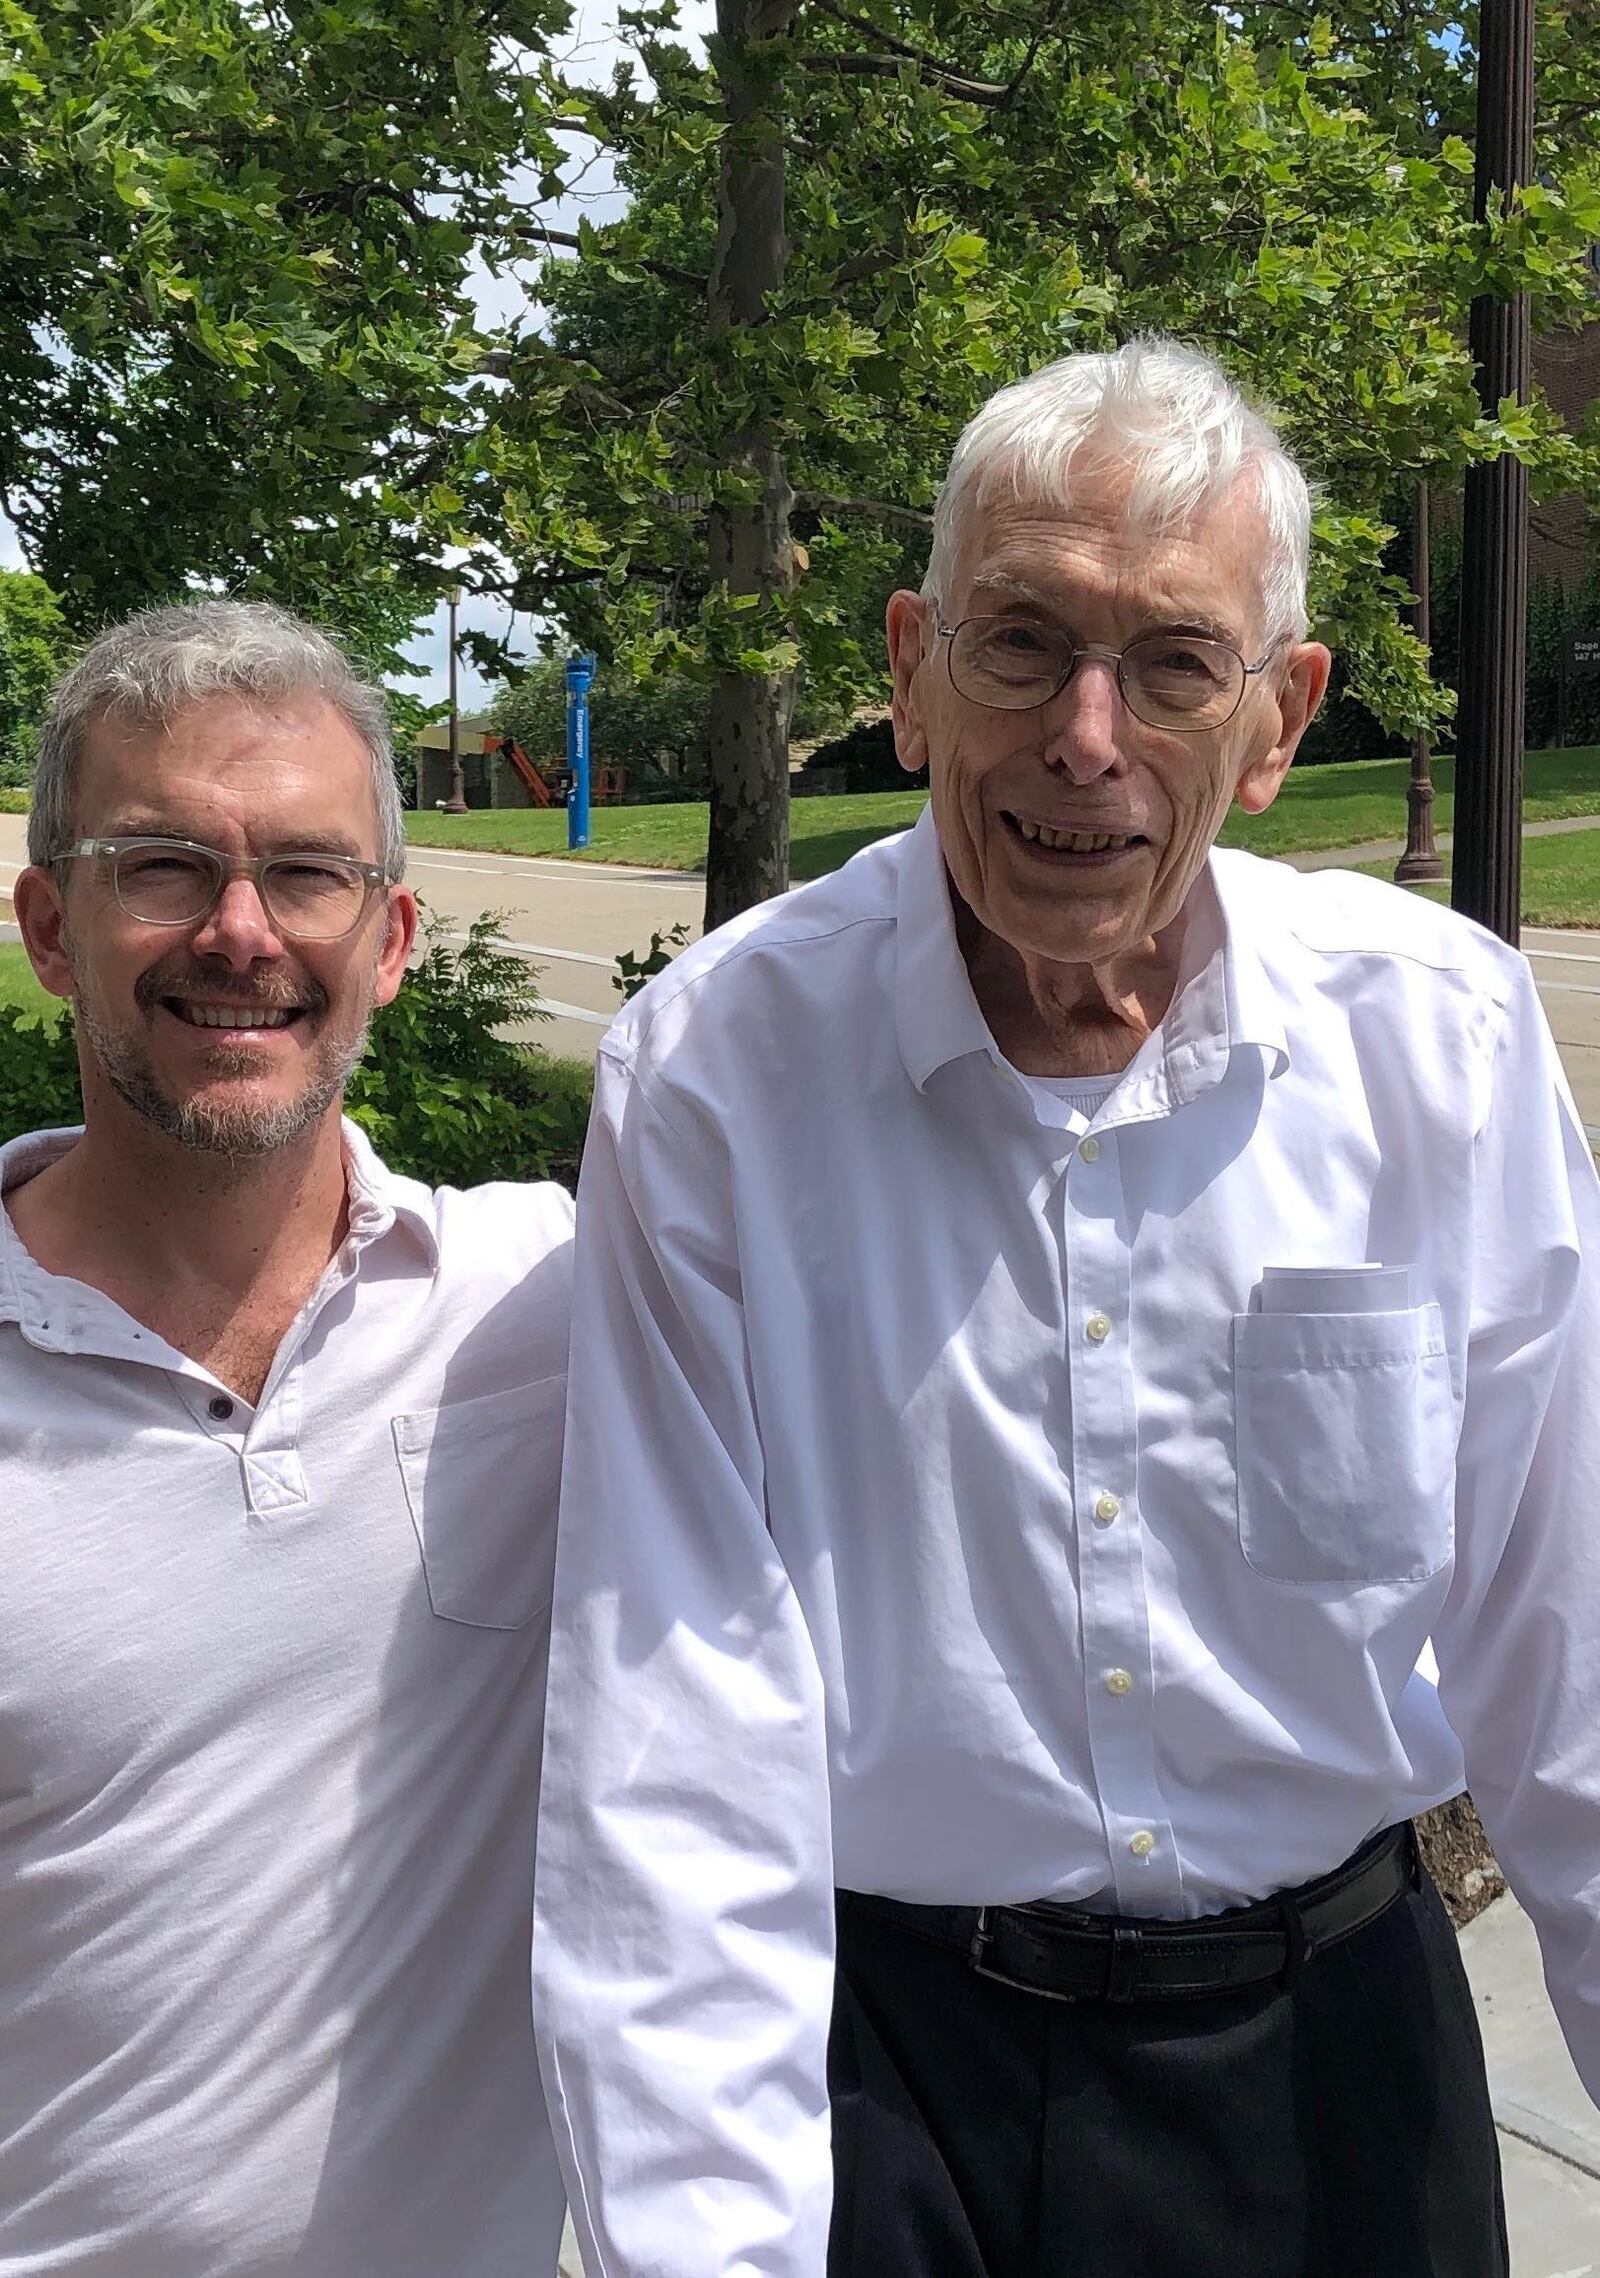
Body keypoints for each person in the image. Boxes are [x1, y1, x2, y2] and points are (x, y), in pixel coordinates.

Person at [532, 338, 1600, 2278]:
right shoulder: (717, 1072)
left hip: (1333, 2059)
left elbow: (1565, 1637)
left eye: (1171, 663)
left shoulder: (1430, 1043)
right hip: (883, 2080)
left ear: (1276, 721)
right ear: (908, 668)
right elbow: (667, 1720)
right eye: (1018, 643)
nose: (1083, 735)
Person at [2, 602, 574, 2277]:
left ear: (389, 936)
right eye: (162, 864)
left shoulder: (542, 1297)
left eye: (307, 874)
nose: (240, 931)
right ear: (53, 924)